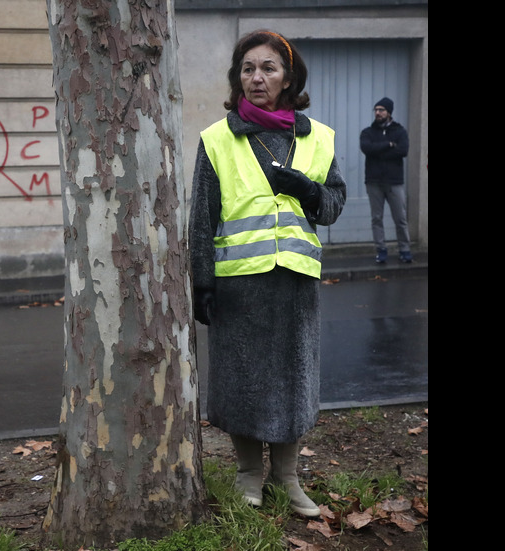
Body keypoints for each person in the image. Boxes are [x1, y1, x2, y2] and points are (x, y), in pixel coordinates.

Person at [188, 31, 346, 518]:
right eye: (248, 69)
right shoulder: (218, 138)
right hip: (239, 283)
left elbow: (334, 207)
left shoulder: (318, 137)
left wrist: (306, 190)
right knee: (241, 381)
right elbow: (201, 217)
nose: (257, 78)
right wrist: (202, 282)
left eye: (269, 68)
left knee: (292, 380)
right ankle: (247, 475)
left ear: (289, 77)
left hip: (294, 283)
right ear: (238, 78)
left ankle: (288, 478)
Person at [360, 97, 412, 263]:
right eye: (376, 110)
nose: (378, 113)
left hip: (394, 182)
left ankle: (405, 250)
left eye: (381, 110)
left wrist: (379, 151)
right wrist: (389, 145)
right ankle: (381, 250)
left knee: (400, 218)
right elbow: (367, 148)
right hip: (374, 181)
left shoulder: (400, 131)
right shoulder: (368, 132)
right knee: (377, 218)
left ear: (389, 112)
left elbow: (403, 151)